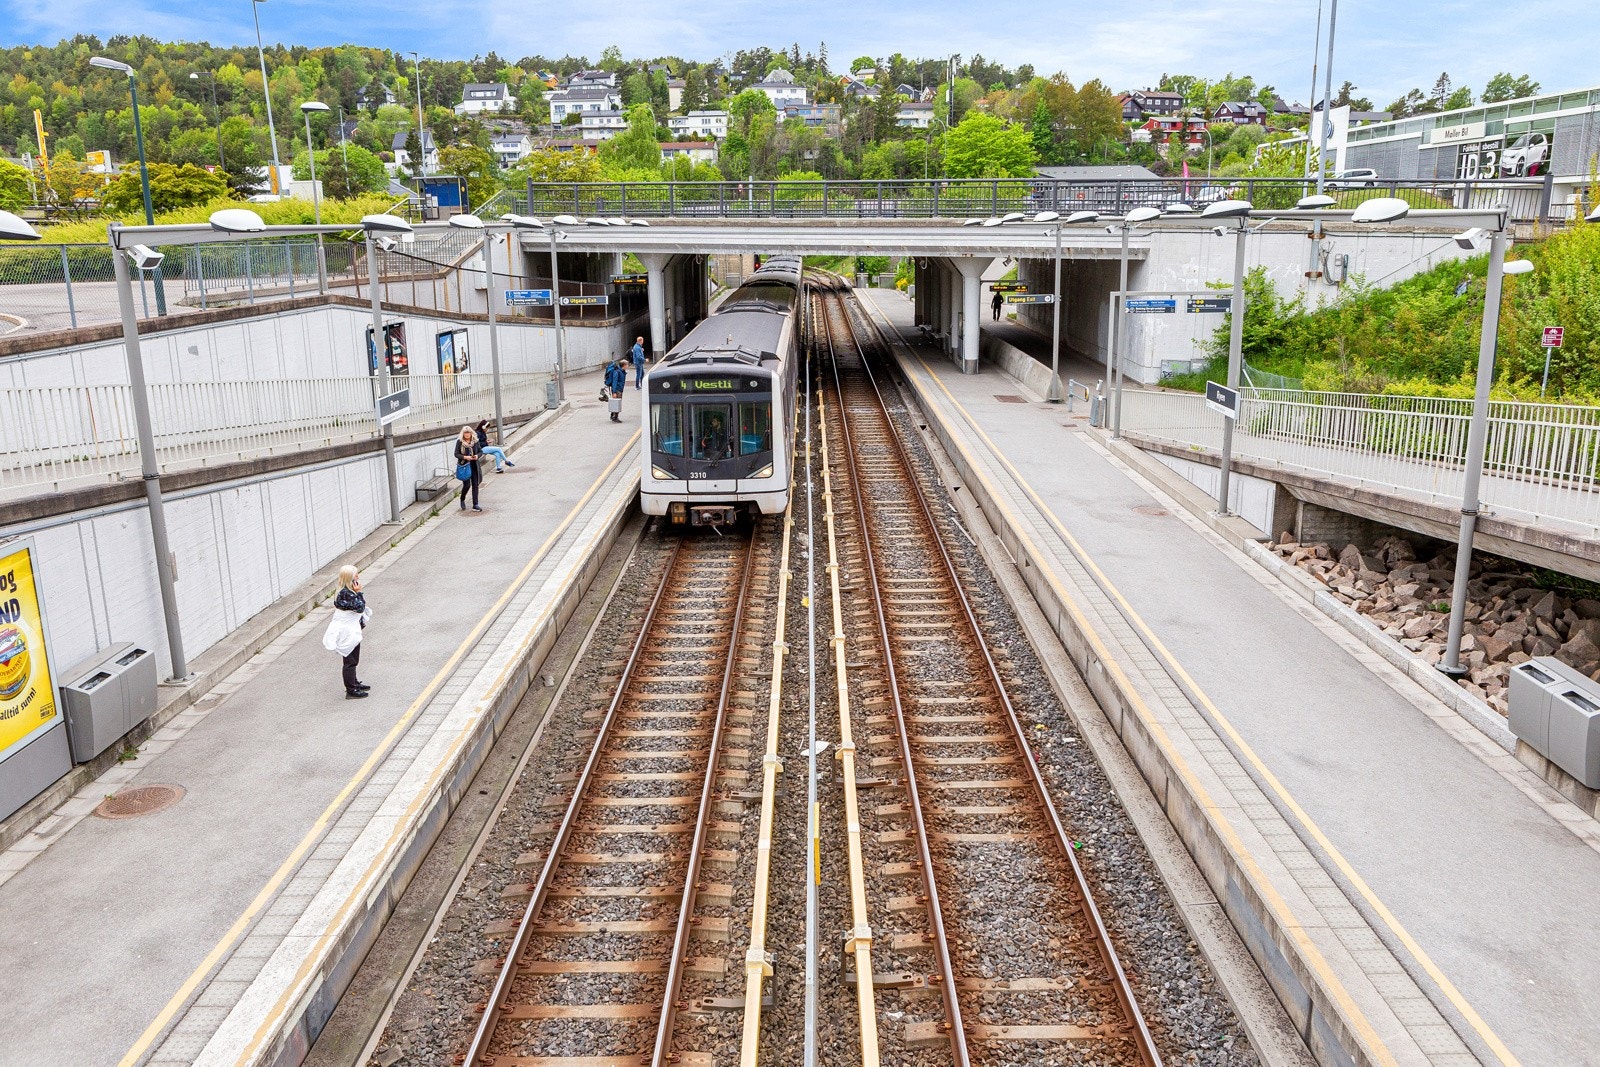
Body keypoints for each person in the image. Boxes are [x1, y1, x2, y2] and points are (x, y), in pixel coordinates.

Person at [322, 565, 371, 699]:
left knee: (353, 658)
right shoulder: (347, 593)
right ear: (350, 577)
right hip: (347, 632)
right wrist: (359, 592)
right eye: (356, 575)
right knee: (350, 660)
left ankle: (354, 683)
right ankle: (351, 689)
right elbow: (360, 607)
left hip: (350, 629)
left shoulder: (344, 591)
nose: (358, 577)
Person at [454, 425, 483, 511]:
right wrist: (465, 457)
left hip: (474, 465)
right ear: (463, 434)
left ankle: (475, 504)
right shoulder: (460, 442)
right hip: (465, 466)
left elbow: (480, 451)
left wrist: (477, 456)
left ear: (471, 433)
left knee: (475, 484)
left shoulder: (475, 441)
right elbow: (456, 454)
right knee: (466, 485)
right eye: (465, 433)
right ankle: (462, 498)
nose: (467, 434)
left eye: (468, 432)